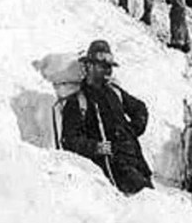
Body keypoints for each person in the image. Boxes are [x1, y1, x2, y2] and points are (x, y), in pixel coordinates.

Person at [59, 39, 153, 195]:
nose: (108, 71)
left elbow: (140, 108)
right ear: (89, 66)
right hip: (115, 170)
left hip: (138, 163)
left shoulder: (115, 92)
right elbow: (69, 140)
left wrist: (132, 129)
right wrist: (97, 147)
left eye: (109, 67)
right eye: (102, 66)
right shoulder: (78, 102)